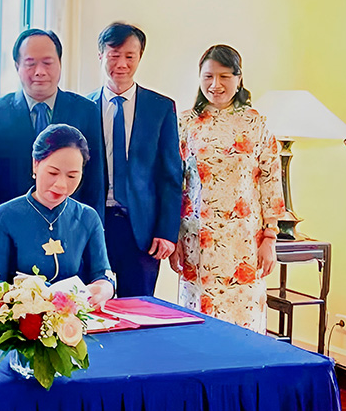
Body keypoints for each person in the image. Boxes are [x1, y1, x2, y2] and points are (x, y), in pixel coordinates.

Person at [169, 44, 286, 333]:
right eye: (208, 76)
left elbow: (271, 182)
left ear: (239, 78)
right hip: (196, 240)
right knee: (198, 325)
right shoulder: (185, 124)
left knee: (243, 324)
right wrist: (173, 238)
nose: (215, 85)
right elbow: (173, 184)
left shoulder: (256, 124)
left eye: (224, 76)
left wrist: (270, 239)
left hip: (244, 242)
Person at [85, 23, 183, 298]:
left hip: (142, 229)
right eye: (114, 55)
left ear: (140, 57)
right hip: (94, 224)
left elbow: (171, 175)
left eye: (130, 56)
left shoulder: (160, 108)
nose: (122, 64)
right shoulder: (83, 107)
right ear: (100, 55)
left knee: (139, 308)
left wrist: (167, 231)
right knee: (91, 306)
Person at [0, 124, 114, 307]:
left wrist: (104, 289)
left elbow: (103, 274)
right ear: (35, 164)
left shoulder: (88, 217)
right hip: (24, 317)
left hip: (74, 317)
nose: (61, 185)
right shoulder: (4, 216)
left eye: (72, 176)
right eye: (53, 173)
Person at [0, 28, 105, 215]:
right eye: (30, 64)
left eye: (48, 63)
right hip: (13, 221)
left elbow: (95, 180)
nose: (40, 72)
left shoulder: (86, 111)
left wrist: (93, 226)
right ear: (17, 66)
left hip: (69, 221)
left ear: (60, 64)